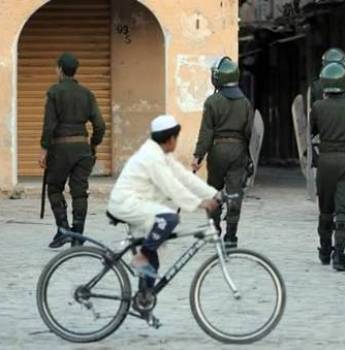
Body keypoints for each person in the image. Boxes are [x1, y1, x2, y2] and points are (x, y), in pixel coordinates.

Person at [108, 115, 220, 286]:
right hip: (128, 204)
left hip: (140, 205)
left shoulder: (160, 154)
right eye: (177, 138)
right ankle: (141, 257)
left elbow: (184, 177)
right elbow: (173, 187)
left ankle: (144, 304)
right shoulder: (152, 157)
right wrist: (200, 203)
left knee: (152, 264)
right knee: (169, 218)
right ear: (171, 139)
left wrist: (214, 194)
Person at [40, 52, 106, 249]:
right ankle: (77, 235)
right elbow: (100, 124)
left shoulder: (54, 92)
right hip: (82, 148)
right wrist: (93, 144)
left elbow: (49, 125)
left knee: (54, 188)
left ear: (60, 69)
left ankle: (63, 230)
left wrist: (43, 149)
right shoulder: (87, 94)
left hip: (60, 148)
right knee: (79, 192)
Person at [192, 57, 254, 248]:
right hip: (238, 150)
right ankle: (231, 236)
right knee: (235, 192)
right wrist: (248, 156)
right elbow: (249, 131)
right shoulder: (245, 102)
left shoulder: (212, 102)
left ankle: (215, 229)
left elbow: (206, 132)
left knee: (213, 191)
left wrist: (198, 155)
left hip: (217, 150)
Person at [311, 61, 345, 271]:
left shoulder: (318, 106)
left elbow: (313, 130)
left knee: (325, 208)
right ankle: (339, 255)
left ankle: (324, 250)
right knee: (343, 207)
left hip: (326, 158)